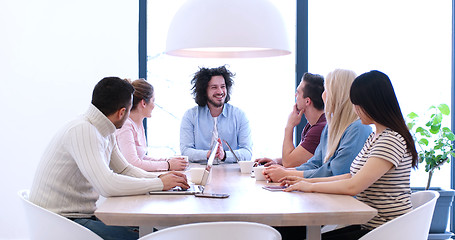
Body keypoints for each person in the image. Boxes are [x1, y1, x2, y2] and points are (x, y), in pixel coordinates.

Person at [30, 77, 190, 240]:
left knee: (154, 233)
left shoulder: (105, 129)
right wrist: (159, 183)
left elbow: (124, 169)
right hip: (61, 223)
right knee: (153, 237)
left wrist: (161, 178)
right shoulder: (83, 130)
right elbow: (107, 185)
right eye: (129, 110)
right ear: (122, 112)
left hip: (76, 217)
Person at [279, 70, 418, 240]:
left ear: (373, 104)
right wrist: (306, 181)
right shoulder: (376, 136)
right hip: (371, 226)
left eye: (358, 104)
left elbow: (353, 186)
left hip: (386, 230)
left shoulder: (391, 139)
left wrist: (309, 186)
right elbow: (351, 175)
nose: (355, 109)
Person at [263, 69, 372, 183]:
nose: (323, 95)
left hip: (344, 199)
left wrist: (287, 173)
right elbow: (315, 163)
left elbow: (336, 172)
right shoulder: (329, 128)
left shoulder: (358, 129)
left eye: (327, 90)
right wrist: (284, 172)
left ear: (337, 94)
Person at [180, 65, 253, 163]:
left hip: (231, 175)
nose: (220, 91)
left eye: (223, 87)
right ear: (204, 91)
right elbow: (186, 151)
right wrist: (208, 154)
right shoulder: (190, 116)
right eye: (214, 87)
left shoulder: (239, 115)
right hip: (199, 174)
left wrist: (225, 155)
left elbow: (247, 152)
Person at [255, 72, 326, 168]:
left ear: (307, 101)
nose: (295, 95)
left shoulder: (319, 129)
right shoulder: (312, 125)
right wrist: (276, 161)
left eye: (298, 93)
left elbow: (289, 163)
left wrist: (289, 126)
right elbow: (299, 158)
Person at [116, 79, 188, 171]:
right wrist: (168, 165)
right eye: (153, 100)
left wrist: (168, 161)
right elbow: (133, 163)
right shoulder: (125, 126)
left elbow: (141, 158)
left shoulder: (137, 123)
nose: (154, 106)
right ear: (144, 103)